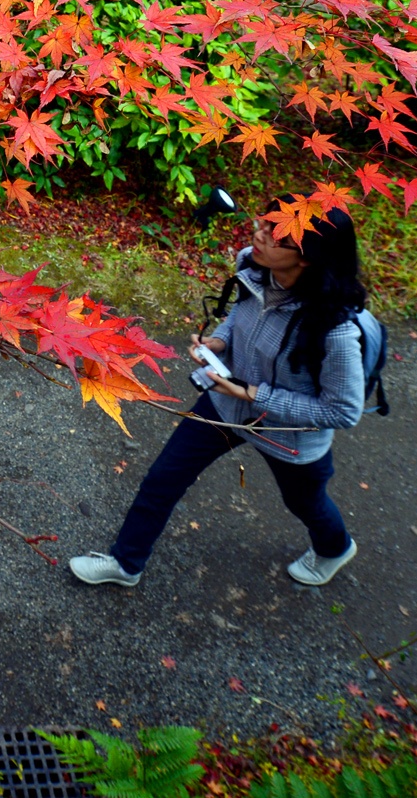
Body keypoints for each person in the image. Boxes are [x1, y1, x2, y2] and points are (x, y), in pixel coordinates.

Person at [71, 196, 367, 589]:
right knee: (163, 478)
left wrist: (254, 394)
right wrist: (220, 342)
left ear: (307, 258)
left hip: (286, 435)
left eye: (273, 236)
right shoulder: (253, 265)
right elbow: (241, 314)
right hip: (225, 403)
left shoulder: (336, 329)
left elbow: (342, 411)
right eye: (263, 223)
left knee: (304, 502)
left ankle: (335, 548)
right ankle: (126, 563)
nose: (257, 236)